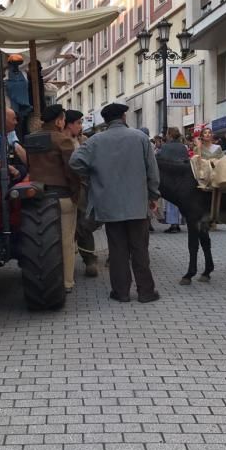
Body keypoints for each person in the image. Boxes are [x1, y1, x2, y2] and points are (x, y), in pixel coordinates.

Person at [70, 102, 160, 304]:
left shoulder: (95, 141)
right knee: (140, 249)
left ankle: (121, 293)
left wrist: (92, 176)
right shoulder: (140, 138)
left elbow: (74, 162)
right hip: (137, 204)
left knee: (117, 250)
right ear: (124, 117)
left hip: (109, 205)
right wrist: (153, 195)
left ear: (105, 120)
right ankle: (146, 292)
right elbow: (152, 171)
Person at [26, 105, 80, 294]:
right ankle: (66, 282)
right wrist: (76, 194)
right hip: (62, 196)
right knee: (66, 240)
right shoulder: (63, 140)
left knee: (42, 241)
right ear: (58, 121)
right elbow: (71, 170)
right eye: (63, 119)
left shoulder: (30, 140)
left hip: (38, 196)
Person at [63, 109, 100, 278]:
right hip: (66, 189)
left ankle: (89, 260)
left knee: (84, 222)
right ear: (69, 124)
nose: (81, 126)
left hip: (83, 187)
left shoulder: (83, 140)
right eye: (78, 122)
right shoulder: (61, 141)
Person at [158, 128, 188, 233]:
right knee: (179, 200)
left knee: (171, 201)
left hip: (170, 177)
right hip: (182, 176)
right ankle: (178, 222)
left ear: (170, 135)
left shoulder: (165, 147)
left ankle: (173, 224)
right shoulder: (183, 147)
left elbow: (161, 160)